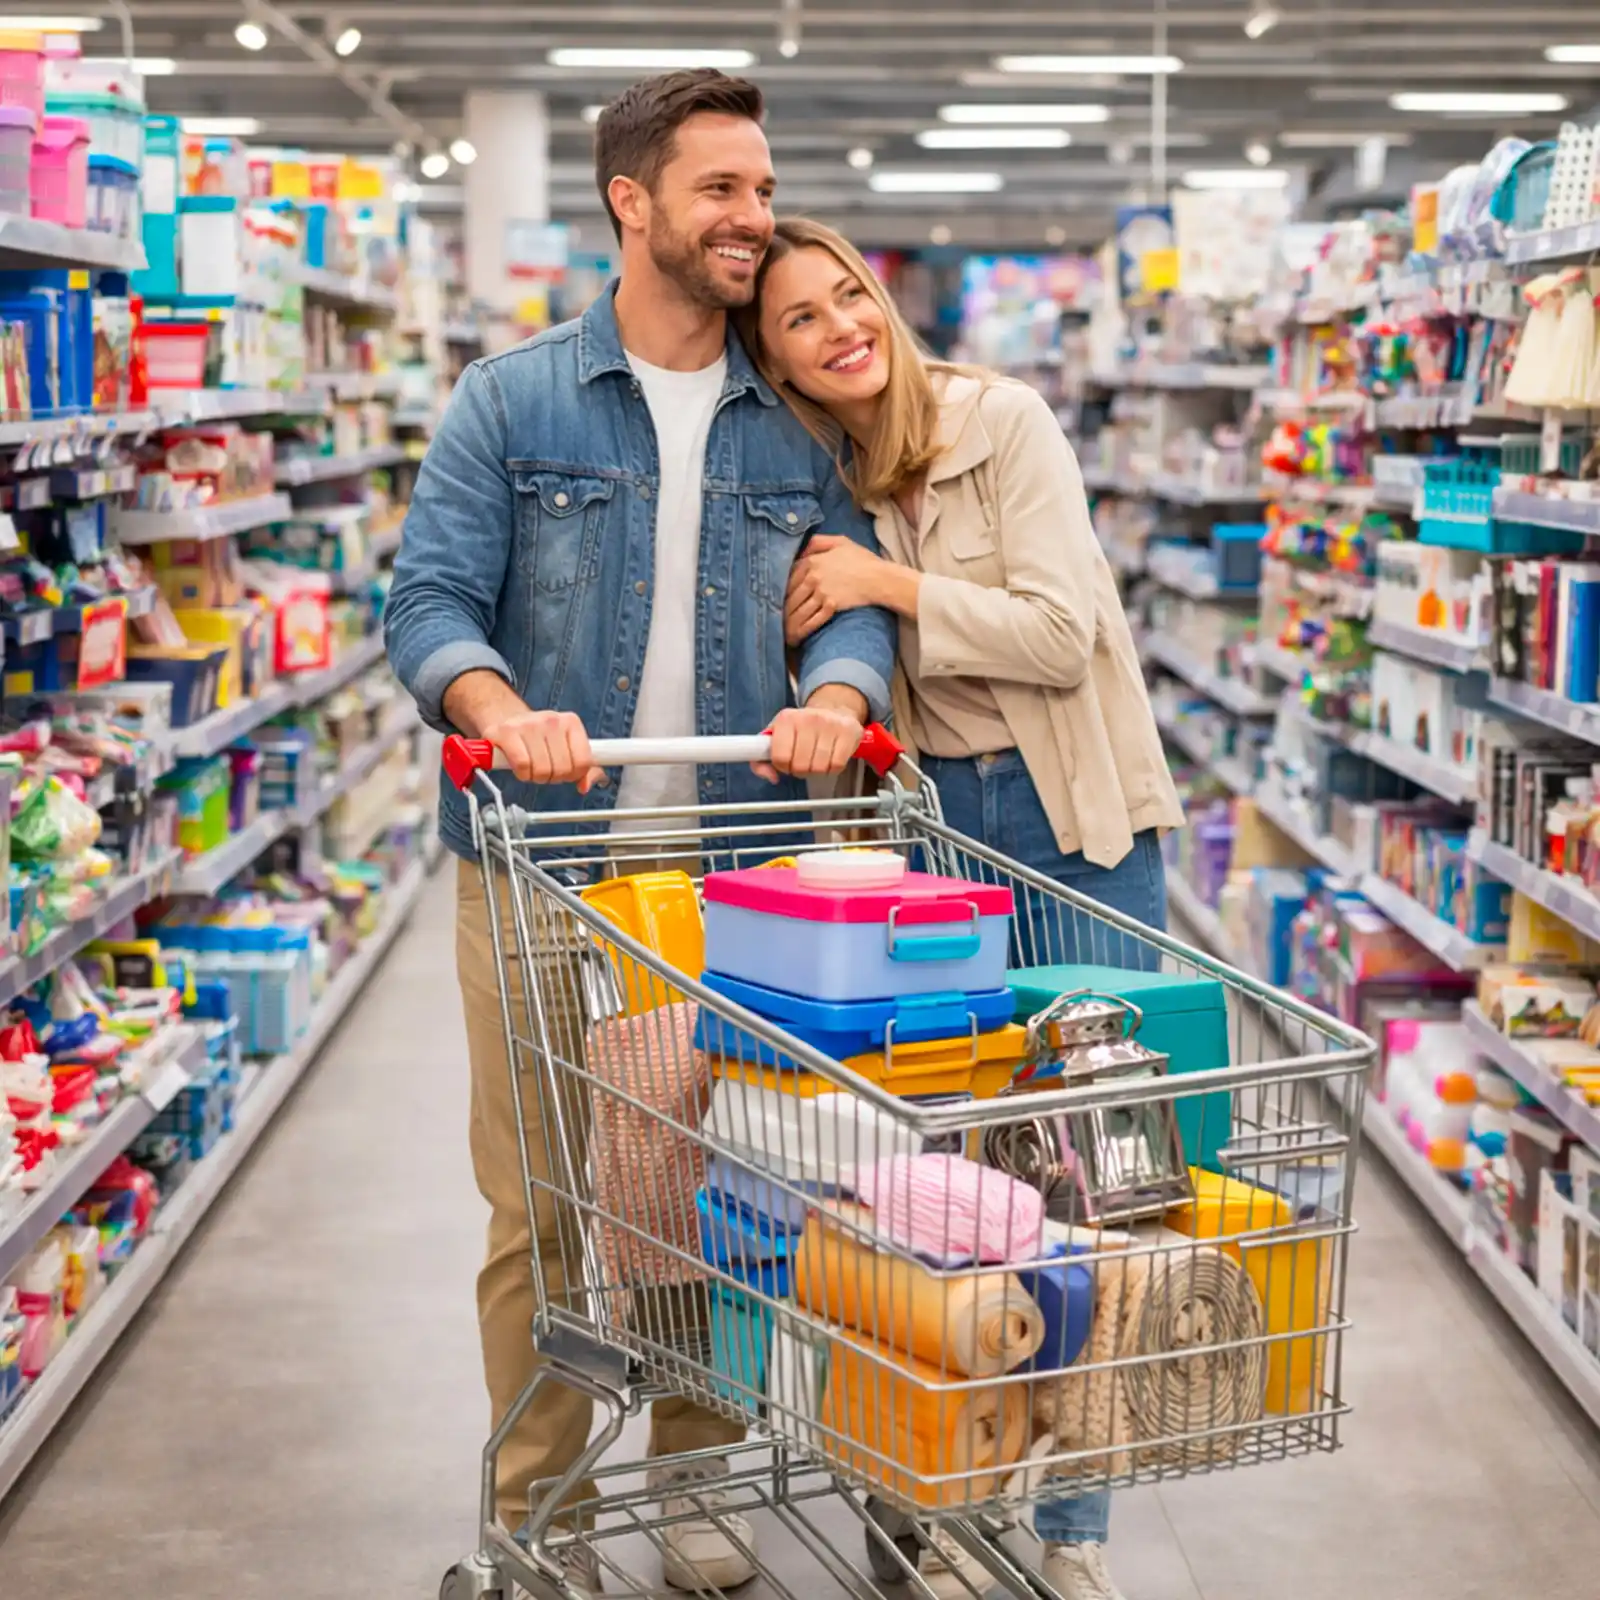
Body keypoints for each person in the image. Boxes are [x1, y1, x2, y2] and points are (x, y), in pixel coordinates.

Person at [385, 77, 895, 1594]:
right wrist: (498, 708)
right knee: (540, 1205)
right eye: (722, 189)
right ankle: (538, 1503)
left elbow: (850, 598)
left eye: (762, 189)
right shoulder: (513, 401)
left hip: (734, 871)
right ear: (633, 201)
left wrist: (839, 695)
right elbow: (428, 604)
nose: (753, 218)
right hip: (541, 863)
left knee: (707, 1196)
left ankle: (693, 1471)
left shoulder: (793, 418)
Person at [737, 218, 1186, 1600]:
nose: (840, 330)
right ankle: (936, 1494)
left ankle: (1075, 1531)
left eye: (848, 297)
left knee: (1101, 1185)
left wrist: (885, 583)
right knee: (934, 1184)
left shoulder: (1007, 422)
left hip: (1075, 826)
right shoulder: (821, 475)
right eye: (800, 322)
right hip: (932, 844)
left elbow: (1060, 633)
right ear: (778, 365)